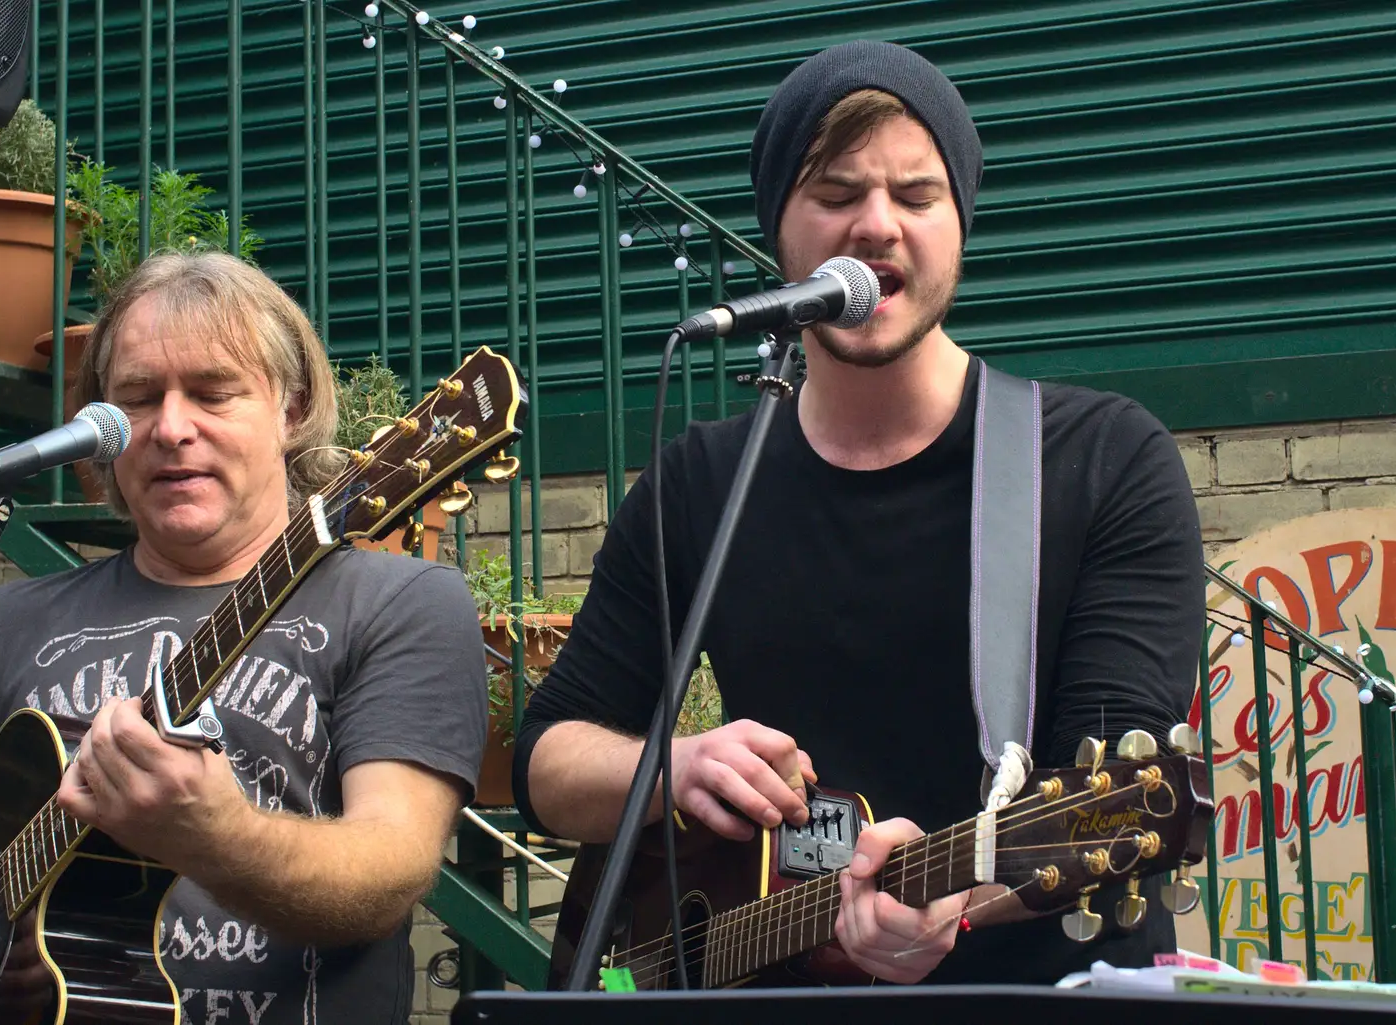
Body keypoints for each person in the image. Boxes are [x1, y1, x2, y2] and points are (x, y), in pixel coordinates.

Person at [515, 40, 1205, 987]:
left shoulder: (1101, 460)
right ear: (782, 232)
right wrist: (670, 768)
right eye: (837, 193)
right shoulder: (699, 481)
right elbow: (548, 758)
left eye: (917, 197)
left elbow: (1120, 799)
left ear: (958, 224)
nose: (876, 226)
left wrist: (953, 898)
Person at [0, 252, 490, 1024]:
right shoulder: (1, 625)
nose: (172, 428)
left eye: (213, 392)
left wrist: (218, 836)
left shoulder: (399, 602)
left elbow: (392, 865)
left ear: (292, 408)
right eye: (138, 399)